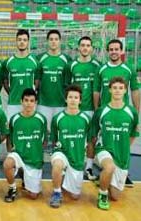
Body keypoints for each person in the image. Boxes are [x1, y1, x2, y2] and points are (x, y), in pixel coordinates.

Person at [93, 39, 140, 187]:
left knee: (123, 142)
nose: (114, 51)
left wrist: (136, 113)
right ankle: (103, 170)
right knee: (104, 143)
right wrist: (96, 109)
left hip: (122, 113)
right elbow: (96, 91)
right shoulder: (101, 69)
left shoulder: (129, 69)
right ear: (108, 51)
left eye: (116, 49)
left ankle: (122, 172)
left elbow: (135, 91)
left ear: (121, 51)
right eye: (111, 49)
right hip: (106, 112)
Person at [92, 77, 139, 210]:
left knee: (116, 196)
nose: (117, 91)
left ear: (125, 91)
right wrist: (96, 149)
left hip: (122, 155)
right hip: (104, 148)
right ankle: (102, 194)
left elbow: (133, 134)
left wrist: (124, 148)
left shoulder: (132, 112)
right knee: (109, 167)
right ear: (110, 90)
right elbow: (94, 134)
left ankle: (104, 179)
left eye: (120, 88)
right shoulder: (102, 111)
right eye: (115, 88)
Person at [49, 84, 91, 208]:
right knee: (57, 165)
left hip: (77, 157)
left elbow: (89, 142)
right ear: (66, 99)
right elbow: (54, 140)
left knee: (74, 197)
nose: (73, 100)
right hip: (61, 152)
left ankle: (65, 177)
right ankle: (56, 192)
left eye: (76, 97)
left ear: (80, 100)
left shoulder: (86, 119)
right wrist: (57, 152)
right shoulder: (58, 118)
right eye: (70, 97)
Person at [66, 36, 100, 181]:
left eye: (88, 45)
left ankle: (89, 167)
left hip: (90, 109)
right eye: (83, 45)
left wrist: (97, 108)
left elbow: (99, 89)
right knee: (71, 137)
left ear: (91, 48)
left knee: (91, 139)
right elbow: (67, 87)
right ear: (78, 48)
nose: (85, 48)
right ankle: (68, 165)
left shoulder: (98, 65)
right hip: (74, 109)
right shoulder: (71, 65)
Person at [3, 88, 47, 202]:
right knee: (8, 163)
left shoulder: (41, 119)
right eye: (26, 100)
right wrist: (10, 153)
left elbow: (44, 142)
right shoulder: (15, 119)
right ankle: (12, 188)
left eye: (32, 101)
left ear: (36, 103)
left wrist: (37, 154)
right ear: (21, 101)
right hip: (19, 155)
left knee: (33, 196)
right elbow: (9, 138)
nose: (28, 103)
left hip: (34, 160)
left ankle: (26, 178)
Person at [36, 29, 72, 131]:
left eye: (56, 39)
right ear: (47, 41)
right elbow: (36, 80)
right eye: (51, 39)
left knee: (60, 133)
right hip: (43, 103)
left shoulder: (67, 59)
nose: (53, 41)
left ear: (60, 41)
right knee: (43, 134)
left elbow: (69, 83)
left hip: (61, 103)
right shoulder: (39, 58)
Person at [3, 29, 39, 120]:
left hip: (29, 103)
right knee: (12, 130)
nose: (22, 42)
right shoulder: (8, 62)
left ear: (28, 42)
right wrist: (12, 93)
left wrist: (32, 95)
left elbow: (38, 81)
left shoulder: (35, 61)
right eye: (19, 40)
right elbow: (5, 82)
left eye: (24, 40)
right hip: (13, 103)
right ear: (16, 41)